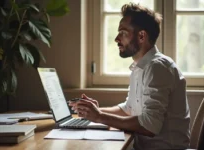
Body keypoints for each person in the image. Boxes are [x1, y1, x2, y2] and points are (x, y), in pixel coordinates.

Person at [69, 3, 190, 150]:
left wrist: (99, 116)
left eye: (123, 33)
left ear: (141, 36)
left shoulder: (157, 67)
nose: (116, 39)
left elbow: (149, 126)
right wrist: (95, 110)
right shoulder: (140, 67)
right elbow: (129, 108)